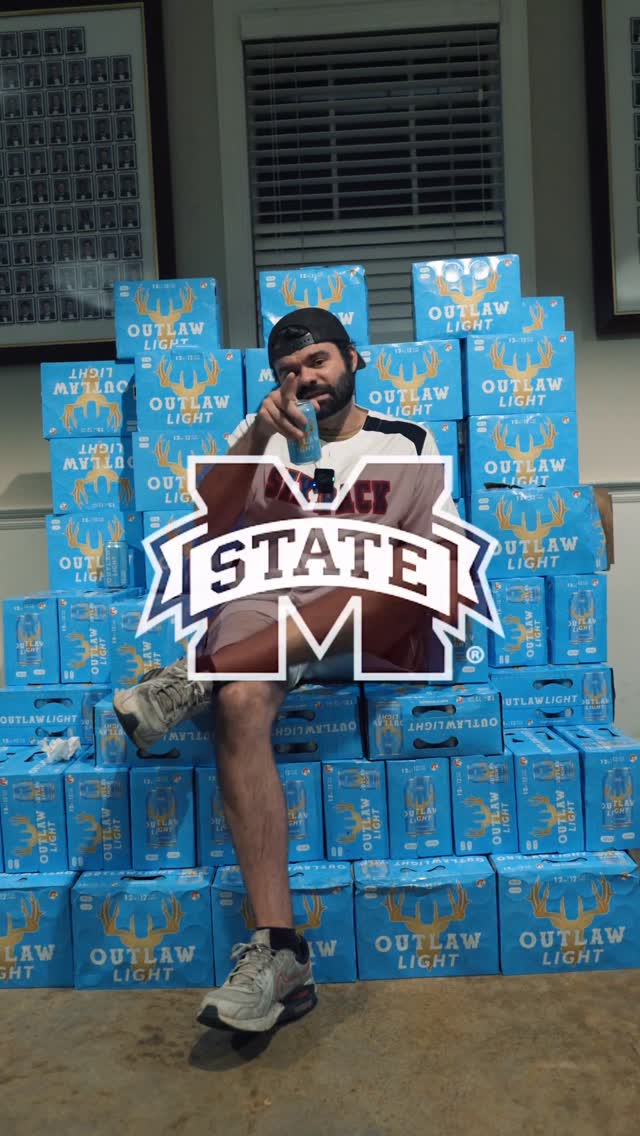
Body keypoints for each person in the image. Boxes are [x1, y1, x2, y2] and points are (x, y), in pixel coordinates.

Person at [114, 308, 458, 1034]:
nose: (304, 379)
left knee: (396, 576)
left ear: (354, 360)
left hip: (359, 618)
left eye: (318, 362)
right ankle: (279, 953)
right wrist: (257, 438)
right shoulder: (262, 431)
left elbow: (435, 566)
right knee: (239, 703)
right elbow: (208, 524)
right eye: (288, 371)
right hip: (268, 607)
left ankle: (197, 675)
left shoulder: (406, 441)